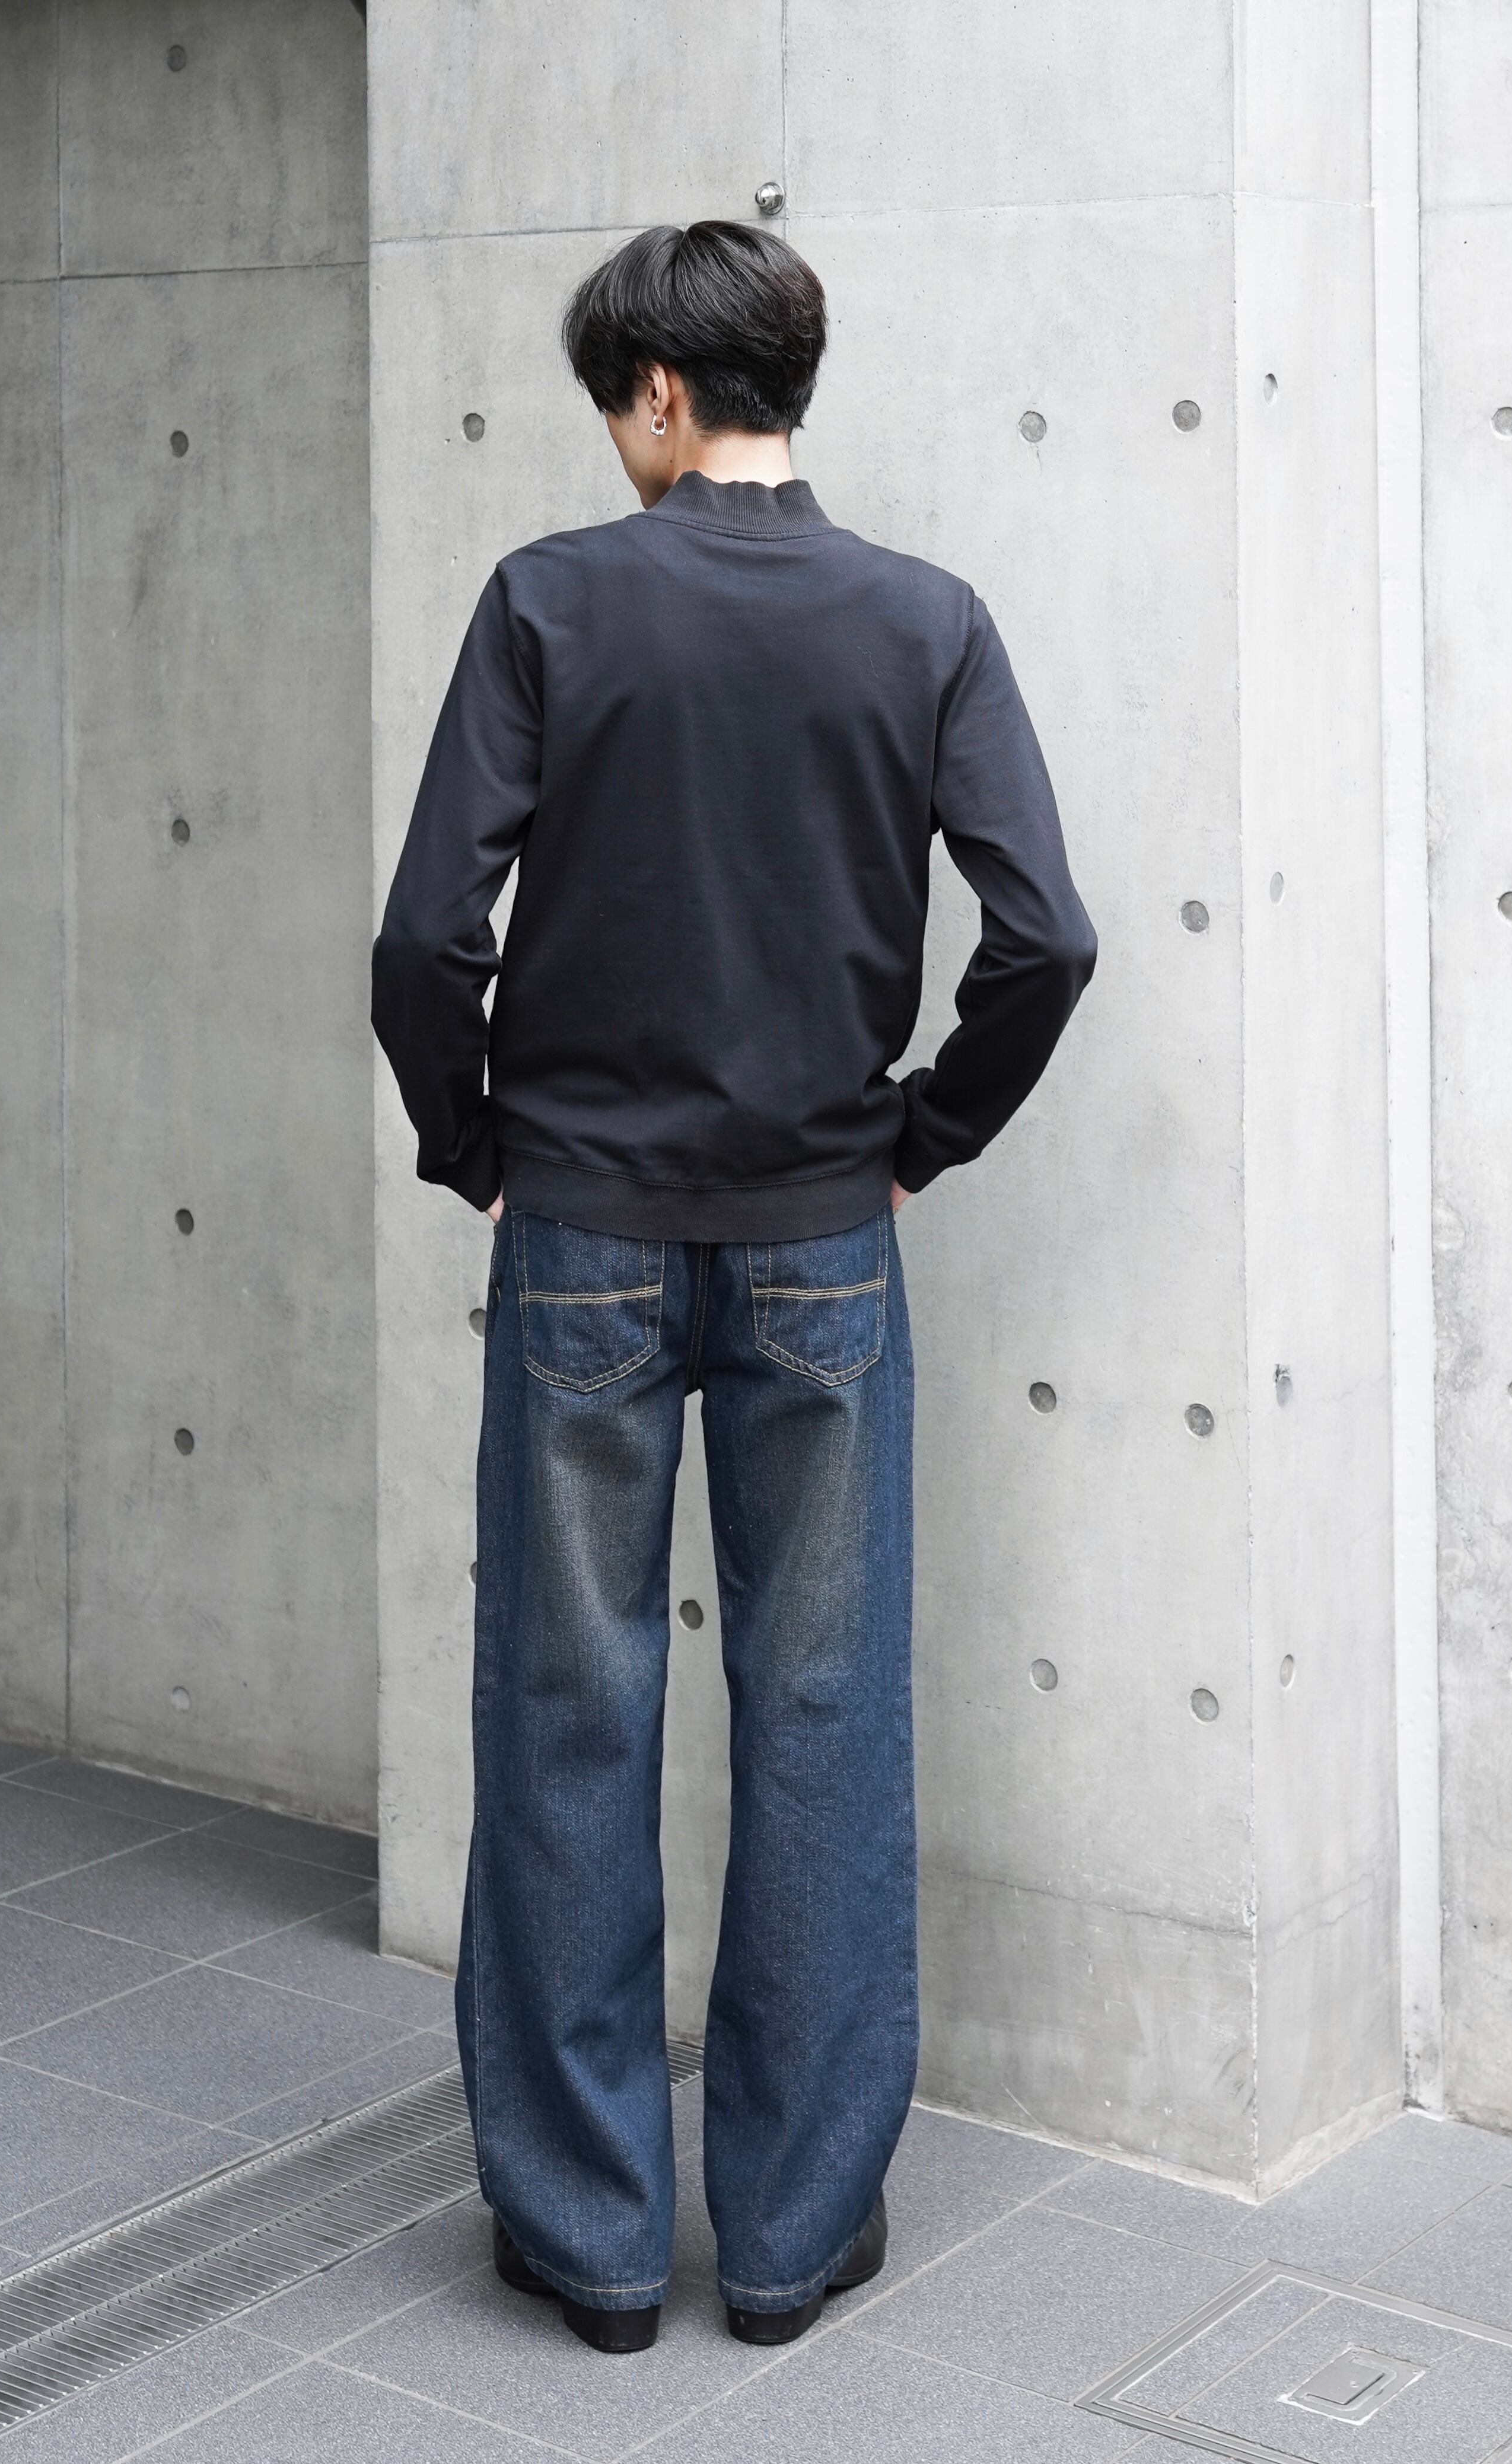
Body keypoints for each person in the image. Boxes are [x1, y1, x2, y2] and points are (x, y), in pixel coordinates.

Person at [371, 220, 1094, 2356]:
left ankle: (589, 2240)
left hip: (582, 1234)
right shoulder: (925, 619)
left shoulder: (551, 599)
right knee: (823, 1707)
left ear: (665, 395)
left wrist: (476, 1143)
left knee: (565, 1703)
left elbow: (425, 941)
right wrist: (921, 1133)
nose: (615, 438)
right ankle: (789, 2234)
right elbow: (1044, 937)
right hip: (820, 1236)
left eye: (617, 402)